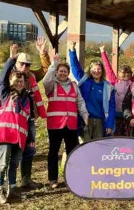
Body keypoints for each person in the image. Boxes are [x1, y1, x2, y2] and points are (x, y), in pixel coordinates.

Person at [43, 52, 90, 188]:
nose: (63, 73)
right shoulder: (51, 85)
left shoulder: (74, 86)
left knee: (72, 152)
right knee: (53, 151)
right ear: (57, 72)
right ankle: (53, 179)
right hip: (55, 124)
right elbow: (46, 80)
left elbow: (80, 102)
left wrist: (85, 115)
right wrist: (54, 64)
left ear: (68, 73)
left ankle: (72, 177)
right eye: (60, 71)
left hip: (71, 124)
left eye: (65, 71)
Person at [11, 37, 50, 189]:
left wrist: (42, 53)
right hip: (14, 119)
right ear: (16, 63)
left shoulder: (32, 76)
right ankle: (12, 183)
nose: (25, 67)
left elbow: (46, 69)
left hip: (30, 119)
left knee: (30, 149)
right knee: (15, 150)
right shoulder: (10, 76)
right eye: (22, 64)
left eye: (28, 65)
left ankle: (26, 180)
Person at [0, 50, 31, 204]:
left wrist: (32, 138)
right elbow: (2, 78)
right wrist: (11, 60)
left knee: (14, 164)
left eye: (21, 81)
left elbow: (28, 120)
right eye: (16, 80)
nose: (19, 83)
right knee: (3, 164)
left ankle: (13, 188)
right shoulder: (5, 94)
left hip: (19, 137)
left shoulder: (27, 98)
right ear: (11, 82)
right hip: (5, 135)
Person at [100, 39, 134, 136]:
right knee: (115, 137)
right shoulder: (114, 81)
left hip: (128, 116)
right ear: (119, 73)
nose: (125, 75)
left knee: (128, 137)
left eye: (128, 73)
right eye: (123, 73)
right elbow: (107, 68)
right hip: (116, 115)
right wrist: (102, 52)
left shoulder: (133, 82)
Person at [69, 41, 115, 141]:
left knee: (98, 148)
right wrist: (72, 51)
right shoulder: (84, 80)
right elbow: (75, 68)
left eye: (99, 69)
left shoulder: (108, 87)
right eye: (94, 69)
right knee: (84, 147)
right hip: (85, 120)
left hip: (100, 121)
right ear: (90, 70)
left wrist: (110, 125)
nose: (96, 71)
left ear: (102, 71)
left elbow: (111, 108)